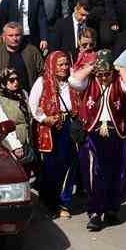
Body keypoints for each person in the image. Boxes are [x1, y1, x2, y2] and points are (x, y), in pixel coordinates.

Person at [73, 53, 126, 231]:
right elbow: (74, 80)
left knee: (117, 172)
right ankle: (95, 212)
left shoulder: (119, 81)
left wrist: (120, 68)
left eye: (106, 74)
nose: (103, 78)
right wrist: (90, 68)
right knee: (95, 173)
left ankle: (111, 209)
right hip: (93, 133)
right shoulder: (89, 81)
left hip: (117, 132)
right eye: (100, 74)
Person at [31, 51, 84, 218]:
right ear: (52, 65)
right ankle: (49, 201)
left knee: (71, 163)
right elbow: (33, 105)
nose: (64, 68)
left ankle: (64, 202)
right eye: (60, 64)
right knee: (52, 167)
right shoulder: (42, 82)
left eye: (66, 64)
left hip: (70, 125)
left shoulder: (72, 81)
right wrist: (45, 118)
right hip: (51, 127)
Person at [0, 67, 35, 169]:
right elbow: (2, 122)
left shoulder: (23, 95)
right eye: (11, 80)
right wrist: (15, 146)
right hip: (10, 147)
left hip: (28, 143)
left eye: (17, 79)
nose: (16, 82)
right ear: (4, 82)